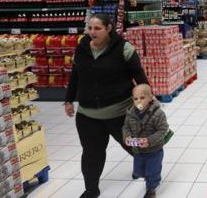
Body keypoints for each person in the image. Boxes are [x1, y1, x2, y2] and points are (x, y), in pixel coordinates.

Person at [65, 13, 149, 198]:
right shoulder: (81, 48)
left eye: (98, 28)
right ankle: (91, 189)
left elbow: (139, 75)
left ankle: (148, 175)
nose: (92, 32)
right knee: (91, 153)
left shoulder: (124, 48)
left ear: (108, 28)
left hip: (120, 112)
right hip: (87, 115)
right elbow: (75, 76)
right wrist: (68, 100)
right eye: (90, 28)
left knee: (133, 146)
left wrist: (147, 98)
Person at [123, 84, 169, 198]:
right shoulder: (130, 114)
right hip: (138, 150)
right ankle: (148, 178)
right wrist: (127, 136)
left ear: (150, 98)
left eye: (142, 98)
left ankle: (151, 189)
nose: (139, 101)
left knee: (152, 171)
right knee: (139, 171)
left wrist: (149, 140)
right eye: (136, 98)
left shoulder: (158, 114)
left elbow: (163, 129)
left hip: (154, 150)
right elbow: (126, 127)